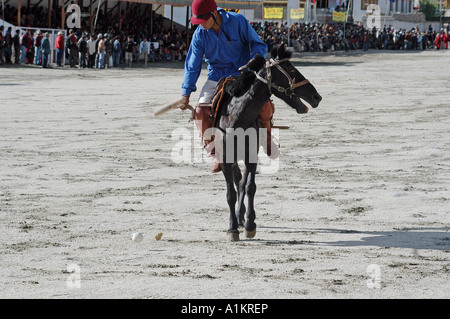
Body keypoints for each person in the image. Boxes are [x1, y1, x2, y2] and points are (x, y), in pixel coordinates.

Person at [181, 0, 277, 173]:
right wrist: (186, 92)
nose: (200, 25)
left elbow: (258, 45)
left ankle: (267, 138)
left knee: (264, 104)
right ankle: (215, 152)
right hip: (216, 75)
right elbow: (192, 65)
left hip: (243, 72)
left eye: (203, 21)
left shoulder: (238, 21)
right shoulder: (200, 34)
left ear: (215, 14)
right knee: (200, 112)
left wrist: (253, 63)